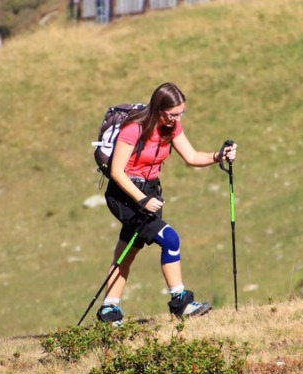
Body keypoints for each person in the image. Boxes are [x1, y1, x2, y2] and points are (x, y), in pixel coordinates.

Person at [98, 82, 236, 325]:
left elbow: (192, 157)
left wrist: (219, 156)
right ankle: (180, 302)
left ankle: (109, 309)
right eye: (173, 114)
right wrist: (142, 199)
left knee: (127, 253)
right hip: (125, 194)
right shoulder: (134, 129)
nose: (177, 118)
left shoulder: (171, 127)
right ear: (158, 109)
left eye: (181, 113)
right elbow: (117, 172)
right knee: (170, 239)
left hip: (150, 191)